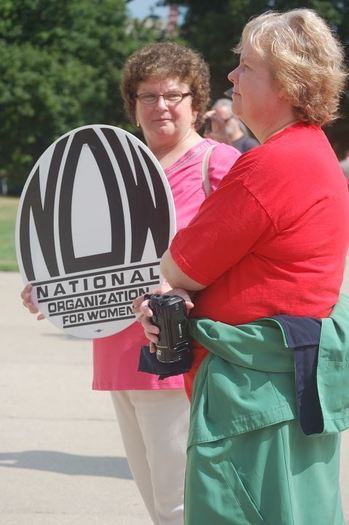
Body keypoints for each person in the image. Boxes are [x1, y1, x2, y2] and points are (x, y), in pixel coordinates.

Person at [136, 9, 349, 524]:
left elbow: (179, 268)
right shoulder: (312, 151)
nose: (232, 77)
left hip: (251, 398)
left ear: (287, 81)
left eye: (246, 66)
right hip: (291, 386)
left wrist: (164, 290)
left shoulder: (269, 165)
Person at [21, 42, 240, 525]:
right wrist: (52, 287)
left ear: (197, 103)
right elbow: (85, 249)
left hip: (180, 357)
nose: (160, 105)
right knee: (158, 503)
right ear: (132, 104)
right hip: (117, 350)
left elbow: (243, 256)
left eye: (173, 94)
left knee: (185, 502)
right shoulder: (117, 169)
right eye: (147, 95)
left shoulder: (218, 165)